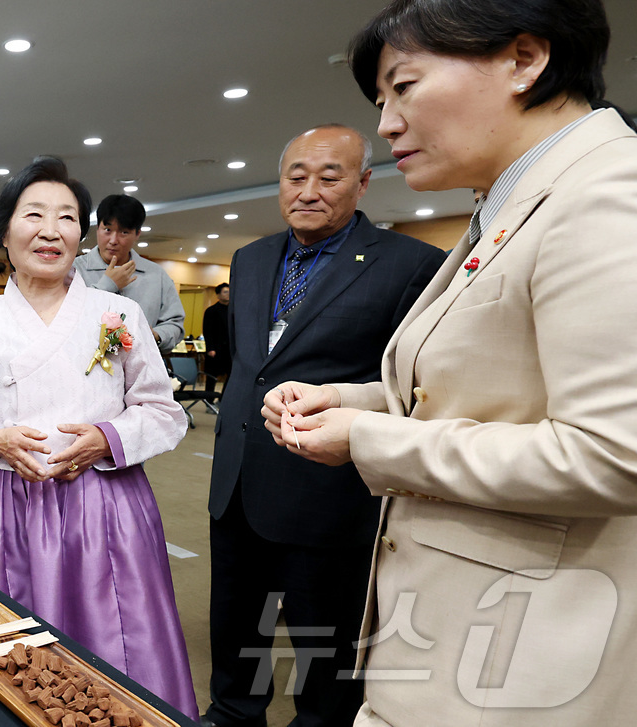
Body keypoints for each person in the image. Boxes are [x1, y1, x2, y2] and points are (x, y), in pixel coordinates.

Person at [264, 2, 636, 725]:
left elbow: (613, 453)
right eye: (382, 99)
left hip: (525, 656)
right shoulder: (509, 202)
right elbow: (488, 391)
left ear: (524, 60)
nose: (387, 123)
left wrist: (369, 440)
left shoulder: (604, 195)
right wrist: (354, 400)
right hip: (457, 628)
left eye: (403, 87)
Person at [0, 157, 197, 714]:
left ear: (82, 235)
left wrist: (105, 439)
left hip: (104, 507)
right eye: (35, 215)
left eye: (68, 217)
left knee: (113, 653)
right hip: (4, 507)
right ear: (4, 233)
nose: (51, 230)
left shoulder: (118, 313)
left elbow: (164, 413)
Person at [201, 123, 446, 727]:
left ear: (362, 184)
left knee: (325, 643)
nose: (309, 190)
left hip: (329, 490)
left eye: (329, 176)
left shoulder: (412, 265)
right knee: (235, 626)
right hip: (237, 483)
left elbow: (410, 385)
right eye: (296, 176)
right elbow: (249, 368)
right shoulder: (252, 258)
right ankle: (234, 713)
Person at [73, 194, 185, 354]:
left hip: (140, 368)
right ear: (97, 228)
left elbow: (175, 322)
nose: (113, 240)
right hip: (84, 365)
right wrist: (107, 285)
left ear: (137, 233)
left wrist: (156, 336)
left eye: (124, 232)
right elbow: (65, 316)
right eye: (107, 230)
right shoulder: (75, 269)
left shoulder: (156, 275)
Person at [202, 282, 231, 393]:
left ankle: (222, 400)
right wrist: (210, 348)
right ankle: (209, 401)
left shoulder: (233, 311)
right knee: (211, 376)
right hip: (215, 349)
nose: (228, 294)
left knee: (230, 375)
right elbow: (207, 331)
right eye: (225, 292)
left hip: (229, 349)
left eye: (229, 292)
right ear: (218, 295)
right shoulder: (211, 311)